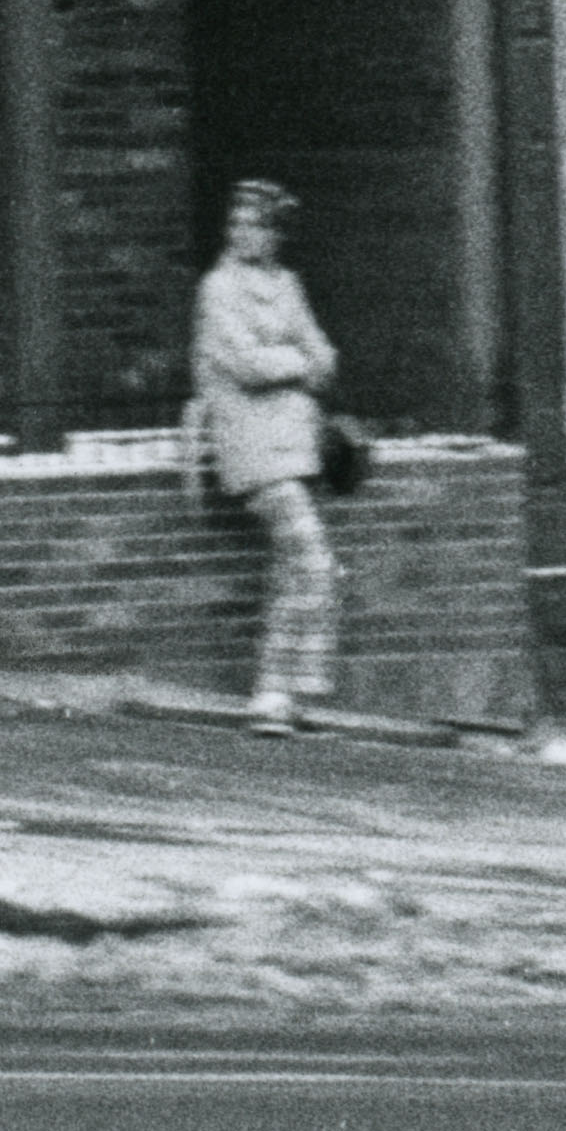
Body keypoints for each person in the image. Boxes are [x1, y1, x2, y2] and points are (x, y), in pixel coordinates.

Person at [192, 177, 342, 733]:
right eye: (235, 223)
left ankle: (284, 697)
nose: (241, 233)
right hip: (253, 449)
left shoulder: (288, 285)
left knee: (292, 573)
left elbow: (325, 356)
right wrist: (296, 363)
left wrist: (294, 362)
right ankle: (279, 692)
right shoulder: (218, 289)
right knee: (313, 561)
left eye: (253, 224)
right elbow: (246, 365)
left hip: (294, 446)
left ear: (276, 234)